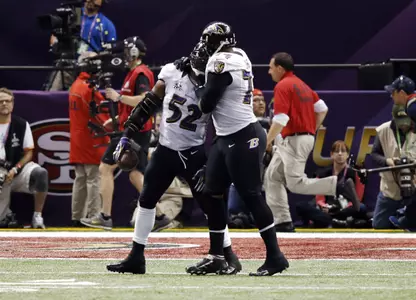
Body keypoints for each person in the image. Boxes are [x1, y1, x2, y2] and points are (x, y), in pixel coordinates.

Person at [106, 42, 241, 275]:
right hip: (166, 149)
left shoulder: (216, 83)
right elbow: (148, 103)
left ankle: (227, 255)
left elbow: (223, 124)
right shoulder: (171, 71)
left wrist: (211, 163)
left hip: (193, 152)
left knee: (211, 205)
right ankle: (136, 256)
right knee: (146, 200)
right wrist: (126, 135)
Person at [169, 22, 287, 276]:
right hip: (226, 136)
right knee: (212, 194)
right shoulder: (240, 54)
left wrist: (194, 77)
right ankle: (217, 256)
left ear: (218, 42)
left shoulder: (220, 62)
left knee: (252, 195)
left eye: (208, 42)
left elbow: (207, 103)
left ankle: (276, 256)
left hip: (243, 135)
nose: (204, 48)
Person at [264, 52, 360, 233]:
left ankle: (338, 185)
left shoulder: (283, 86)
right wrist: (310, 129)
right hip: (295, 138)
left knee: (295, 183)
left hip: (293, 139)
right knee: (272, 177)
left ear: (280, 68)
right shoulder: (302, 85)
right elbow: (322, 109)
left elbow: (281, 119)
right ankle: (282, 221)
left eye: (270, 67)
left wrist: (267, 142)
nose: (269, 72)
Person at [81, 37, 153, 230]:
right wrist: (117, 120)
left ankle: (105, 216)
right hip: (133, 128)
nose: (123, 55)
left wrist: (119, 97)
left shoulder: (141, 73)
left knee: (107, 169)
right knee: (135, 175)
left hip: (136, 130)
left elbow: (145, 100)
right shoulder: (133, 73)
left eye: (127, 51)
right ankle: (159, 215)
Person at [68, 53, 110, 227]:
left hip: (78, 139)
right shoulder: (88, 89)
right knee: (93, 179)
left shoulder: (75, 86)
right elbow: (102, 114)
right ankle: (93, 215)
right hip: (91, 139)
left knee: (80, 178)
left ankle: (76, 216)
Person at [0, 88, 49, 229]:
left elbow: (29, 152)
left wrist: (16, 168)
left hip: (17, 170)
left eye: (7, 101)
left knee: (41, 174)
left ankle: (37, 216)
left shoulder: (21, 124)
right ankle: (6, 214)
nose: (4, 104)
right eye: (0, 101)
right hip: (1, 172)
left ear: (13, 104)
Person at [46, 0, 117, 91]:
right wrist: (56, 44)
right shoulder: (74, 15)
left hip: (91, 70)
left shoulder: (107, 24)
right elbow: (55, 35)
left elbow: (111, 52)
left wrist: (95, 56)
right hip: (68, 65)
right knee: (53, 93)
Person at [296, 141, 366, 228]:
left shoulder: (355, 173)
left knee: (362, 208)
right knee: (301, 206)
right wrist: (325, 207)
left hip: (346, 209)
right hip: (328, 209)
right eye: (337, 151)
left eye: (343, 151)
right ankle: (334, 222)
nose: (340, 154)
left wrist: (343, 208)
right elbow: (319, 199)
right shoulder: (322, 173)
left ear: (347, 155)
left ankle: (331, 221)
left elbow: (357, 199)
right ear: (332, 154)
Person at [371, 104, 414, 229]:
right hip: (390, 187)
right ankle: (399, 218)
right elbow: (374, 154)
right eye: (400, 121)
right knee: (379, 225)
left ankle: (404, 218)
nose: (404, 124)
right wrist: (388, 161)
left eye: (407, 120)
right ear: (393, 118)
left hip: (413, 184)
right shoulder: (384, 130)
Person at [383, 77, 416, 230]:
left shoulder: (412, 108)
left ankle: (408, 219)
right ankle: (408, 218)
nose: (391, 96)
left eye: (393, 92)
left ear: (402, 93)